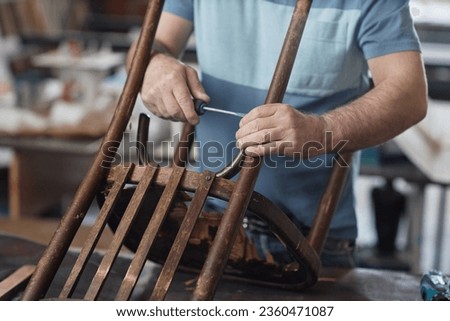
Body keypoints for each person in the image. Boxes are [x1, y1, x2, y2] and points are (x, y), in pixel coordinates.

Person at [129, 0, 427, 271]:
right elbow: (153, 44)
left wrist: (321, 130)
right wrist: (153, 63)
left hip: (307, 239)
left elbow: (409, 94)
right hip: (202, 216)